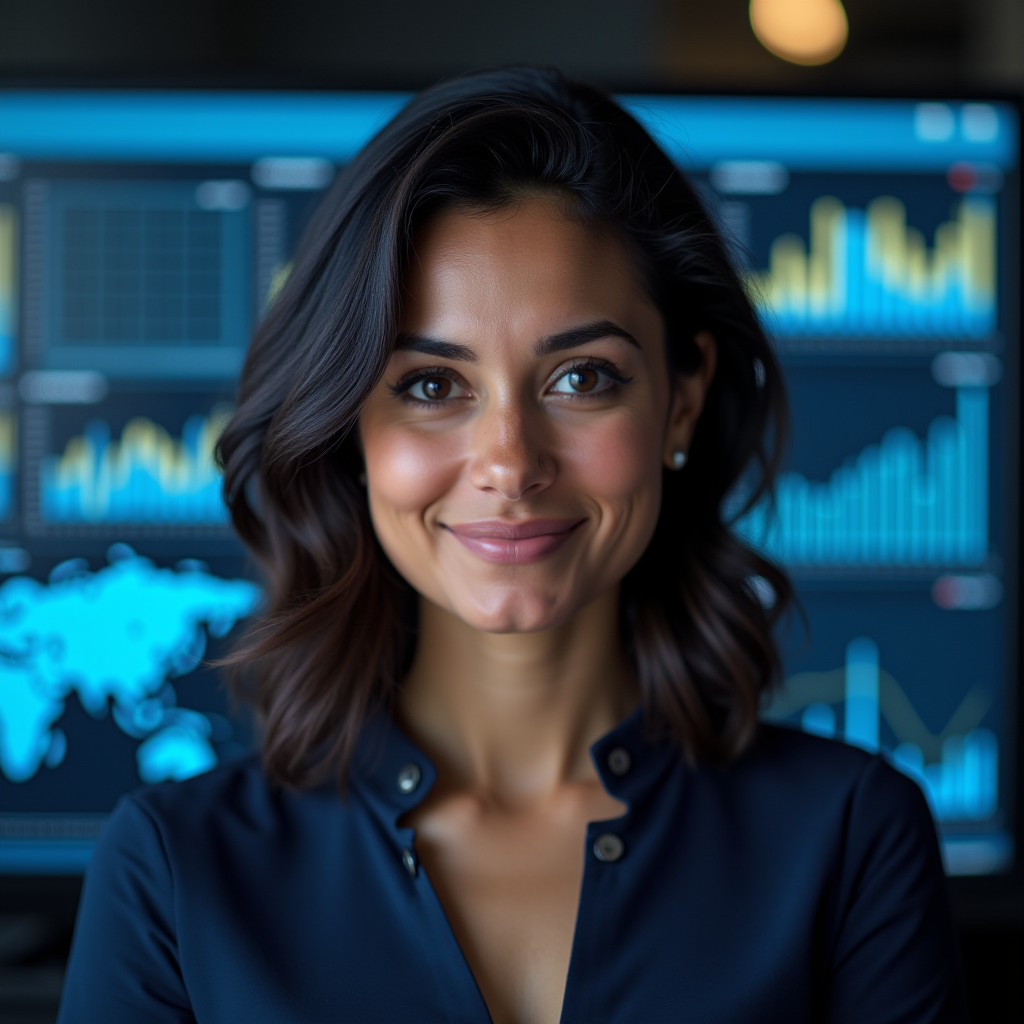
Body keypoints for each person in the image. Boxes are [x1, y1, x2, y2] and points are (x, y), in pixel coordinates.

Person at [58, 67, 966, 1024]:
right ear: (349, 428)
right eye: (430, 385)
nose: (510, 463)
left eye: (582, 378)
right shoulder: (171, 870)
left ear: (681, 398)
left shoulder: (852, 838)